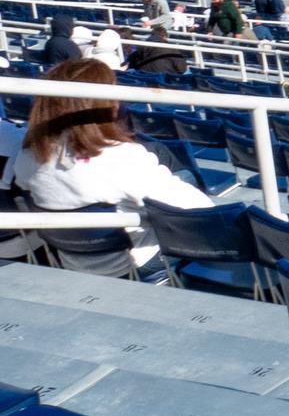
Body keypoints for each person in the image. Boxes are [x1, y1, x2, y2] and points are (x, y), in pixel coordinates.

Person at [9, 58, 212, 273]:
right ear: (106, 103)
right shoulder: (119, 157)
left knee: (155, 155)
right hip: (132, 265)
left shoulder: (27, 156)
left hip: (72, 261)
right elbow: (201, 210)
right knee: (177, 172)